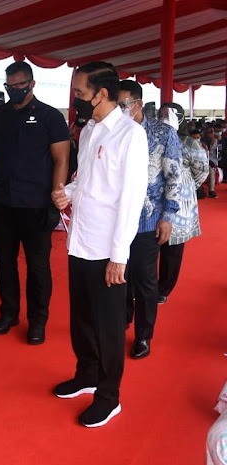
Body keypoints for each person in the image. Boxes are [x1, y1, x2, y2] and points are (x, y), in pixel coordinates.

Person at [51, 62, 149, 427]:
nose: (75, 99)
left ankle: (109, 396)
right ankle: (87, 374)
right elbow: (89, 180)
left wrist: (119, 256)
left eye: (79, 93)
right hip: (80, 241)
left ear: (101, 94)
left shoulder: (130, 135)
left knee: (109, 327)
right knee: (82, 320)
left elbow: (130, 199)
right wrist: (68, 193)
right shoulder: (90, 130)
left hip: (110, 248)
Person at [0, 61, 70, 344]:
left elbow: (61, 159)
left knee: (38, 267)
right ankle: (9, 312)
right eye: (9, 86)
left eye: (19, 85)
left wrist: (57, 197)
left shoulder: (50, 117)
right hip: (2, 201)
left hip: (37, 203)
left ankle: (38, 321)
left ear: (31, 84)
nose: (14, 90)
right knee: (4, 263)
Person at [117, 80, 182, 360]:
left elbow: (174, 176)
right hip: (116, 219)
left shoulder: (162, 133)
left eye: (123, 105)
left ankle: (143, 335)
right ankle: (121, 321)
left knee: (144, 280)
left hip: (147, 218)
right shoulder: (113, 132)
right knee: (118, 275)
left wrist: (168, 216)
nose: (119, 111)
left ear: (138, 104)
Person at [156, 104, 208, 304]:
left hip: (181, 201)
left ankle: (164, 288)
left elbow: (201, 170)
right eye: (161, 115)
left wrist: (185, 186)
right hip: (156, 197)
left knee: (173, 247)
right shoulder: (153, 137)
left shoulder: (189, 142)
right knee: (150, 245)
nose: (163, 118)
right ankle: (146, 285)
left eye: (168, 115)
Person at [204, 126, 219, 198]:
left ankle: (211, 190)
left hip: (217, 160)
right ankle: (211, 190)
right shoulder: (205, 140)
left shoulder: (220, 140)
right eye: (209, 132)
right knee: (211, 174)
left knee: (212, 175)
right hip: (208, 160)